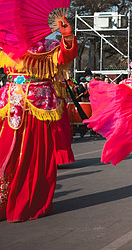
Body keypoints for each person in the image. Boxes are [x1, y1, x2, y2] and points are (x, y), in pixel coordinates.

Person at [0, 15, 77, 221]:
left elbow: (66, 56)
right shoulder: (6, 43)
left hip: (37, 106)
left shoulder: (48, 46)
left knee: (33, 153)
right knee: (6, 150)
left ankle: (26, 200)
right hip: (11, 103)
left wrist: (67, 35)